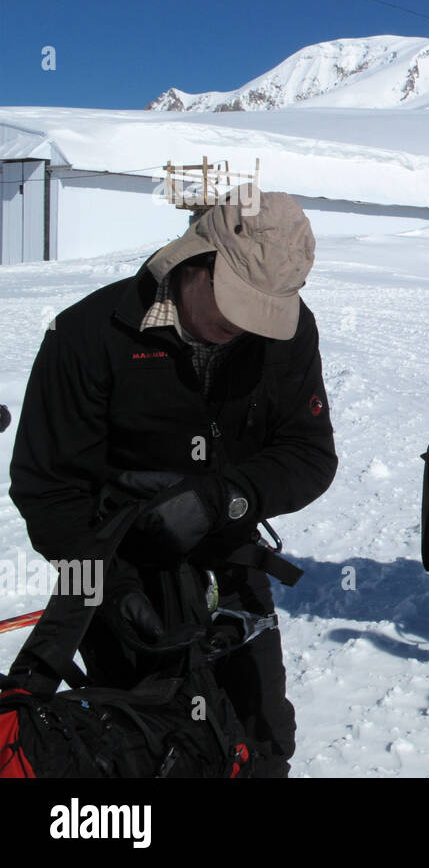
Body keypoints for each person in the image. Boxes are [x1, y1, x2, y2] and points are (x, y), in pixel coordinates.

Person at [7, 188, 337, 777]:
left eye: (263, 313)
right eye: (237, 304)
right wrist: (107, 586)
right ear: (194, 261)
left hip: (229, 567)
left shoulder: (287, 334)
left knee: (261, 745)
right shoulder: (88, 335)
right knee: (146, 752)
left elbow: (309, 455)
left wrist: (223, 498)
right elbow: (47, 489)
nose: (243, 327)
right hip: (114, 576)